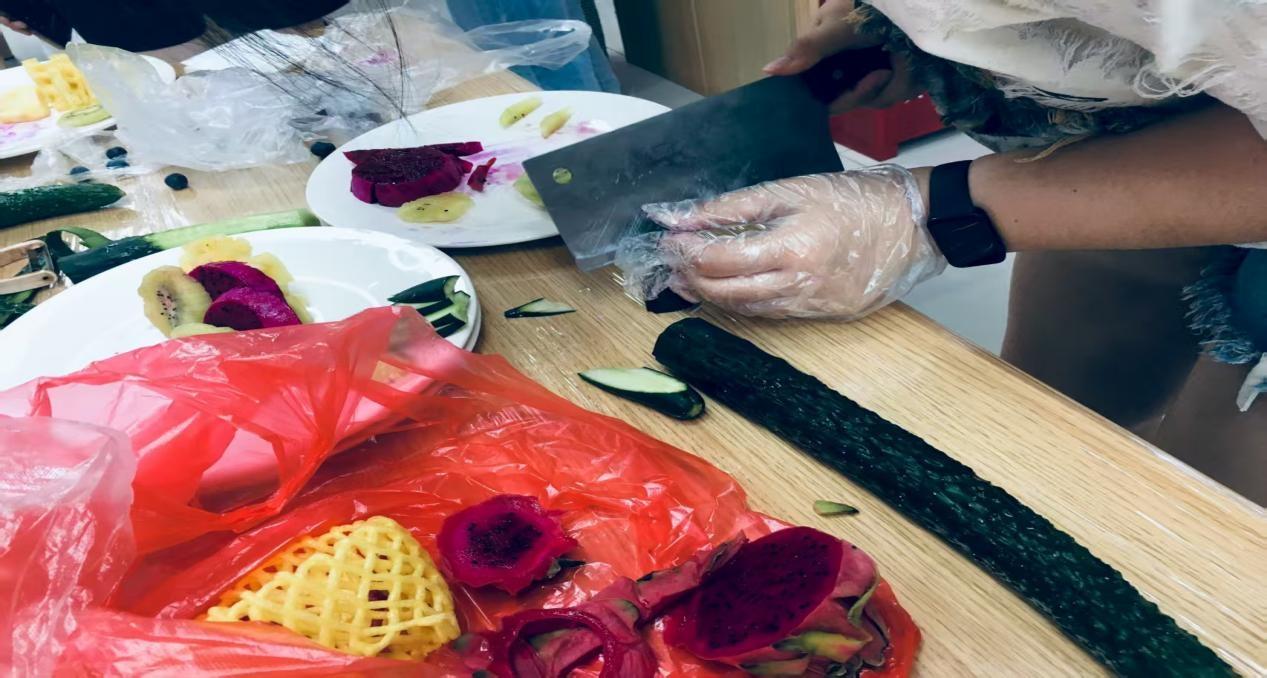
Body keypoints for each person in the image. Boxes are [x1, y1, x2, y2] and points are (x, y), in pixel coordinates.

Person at [643, 0, 1267, 504]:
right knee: (1040, 436)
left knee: (1208, 502)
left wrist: (933, 210)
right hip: (1117, 154)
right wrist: (920, 30)